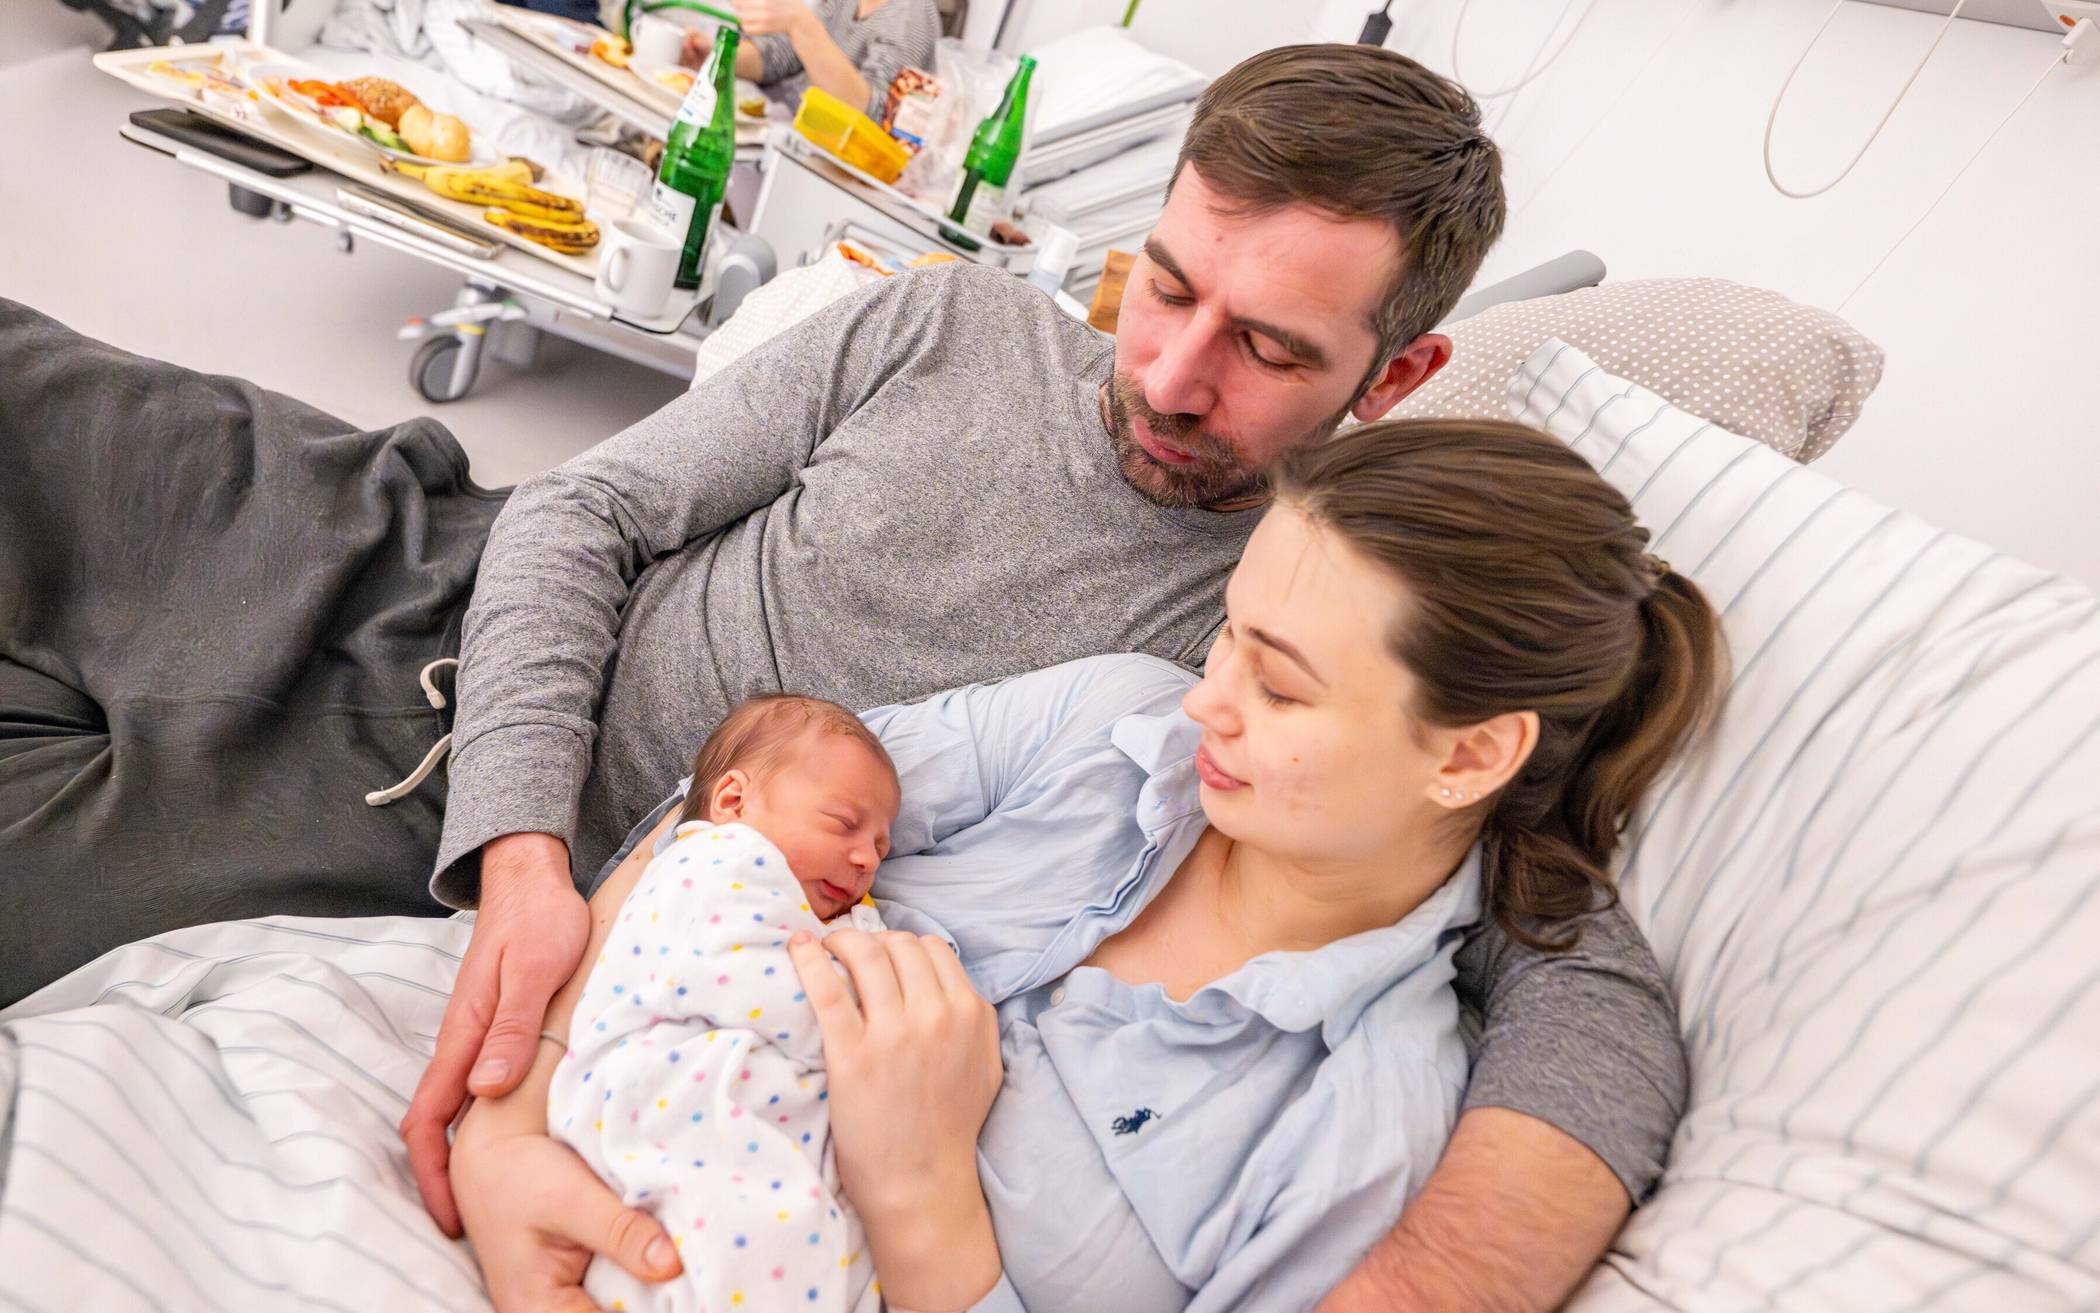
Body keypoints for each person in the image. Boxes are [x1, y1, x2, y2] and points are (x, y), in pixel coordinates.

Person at [404, 44, 1687, 1313]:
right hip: (458, 657)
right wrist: (519, 871)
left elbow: (1570, 967)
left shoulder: (1305, 632)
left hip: (505, 859)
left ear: (1394, 377)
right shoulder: (949, 327)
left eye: (1269, 350)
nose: (1171, 377)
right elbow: (581, 511)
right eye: (1166, 288)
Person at [450, 418, 1727, 1313]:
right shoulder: (1109, 723)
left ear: (1469, 756)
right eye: (1231, 634)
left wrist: (922, 1192)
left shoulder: (1355, 1127)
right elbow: (734, 811)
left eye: (1279, 686)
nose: (1210, 700)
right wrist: (510, 1119)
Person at [550, 694, 902, 1313]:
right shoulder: (718, 860)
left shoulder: (794, 898)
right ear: (734, 802)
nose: (867, 858)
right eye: (845, 825)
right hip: (675, 1096)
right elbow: (754, 988)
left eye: (881, 848)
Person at [680, 0, 940, 121]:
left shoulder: (912, 15)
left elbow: (874, 116)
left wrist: (800, 24)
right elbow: (783, 55)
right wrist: (718, 57)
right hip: (779, 136)